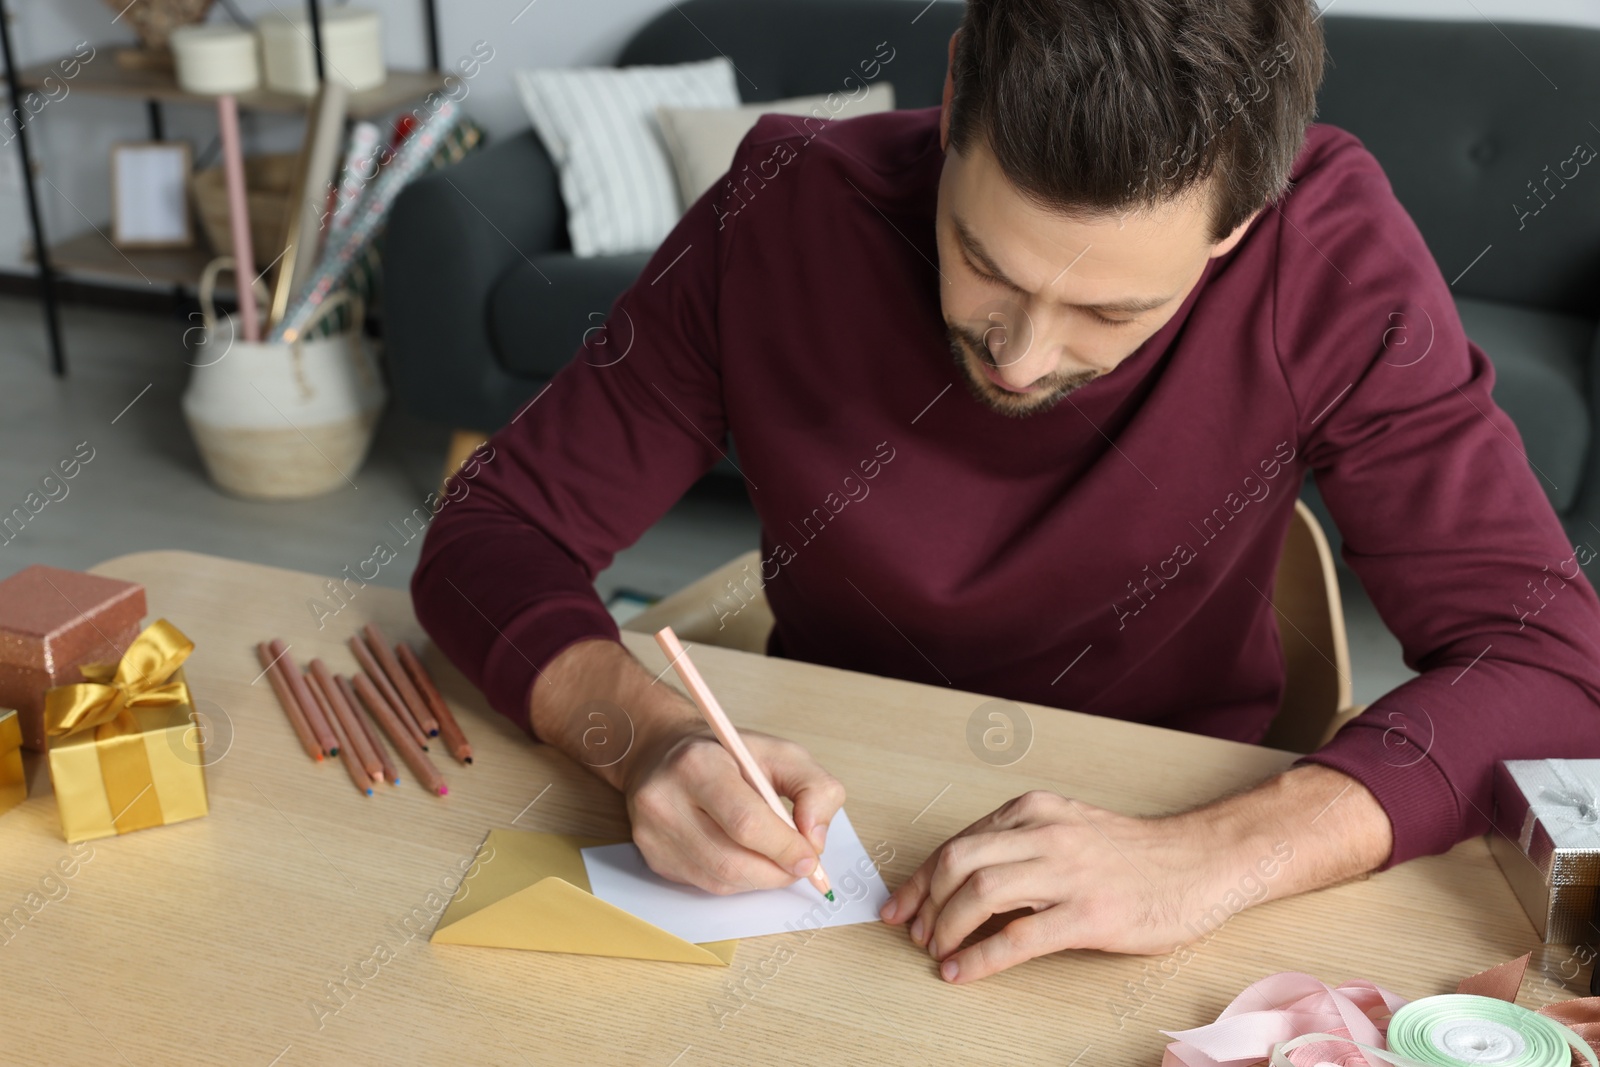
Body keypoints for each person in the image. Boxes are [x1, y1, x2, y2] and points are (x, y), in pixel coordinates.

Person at [412, 0, 1600, 984]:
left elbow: (1549, 661)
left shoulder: (1327, 255)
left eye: (1111, 311)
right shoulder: (779, 211)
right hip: (828, 839)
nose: (1021, 356)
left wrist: (1211, 855)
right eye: (982, 258)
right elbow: (490, 532)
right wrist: (648, 739)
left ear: (1241, 222)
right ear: (955, 91)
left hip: (1163, 813)